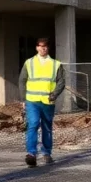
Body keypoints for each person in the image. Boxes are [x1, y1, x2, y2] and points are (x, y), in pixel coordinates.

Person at [19, 37, 66, 167]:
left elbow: (61, 81)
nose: (42, 48)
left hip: (47, 101)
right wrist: (24, 99)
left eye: (45, 46)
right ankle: (31, 154)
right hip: (32, 100)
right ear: (36, 47)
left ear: (48, 48)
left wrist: (54, 94)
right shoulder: (29, 63)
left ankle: (46, 153)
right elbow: (22, 81)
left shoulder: (56, 64)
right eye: (40, 46)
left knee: (46, 128)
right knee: (33, 124)